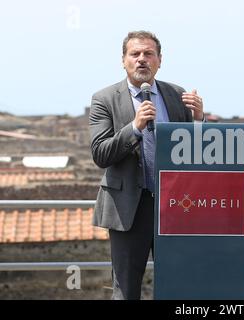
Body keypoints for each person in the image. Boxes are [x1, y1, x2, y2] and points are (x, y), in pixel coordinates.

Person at [89, 30, 205, 300]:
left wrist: (199, 120)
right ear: (123, 60)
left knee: (178, 286)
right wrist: (135, 128)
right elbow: (100, 154)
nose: (142, 59)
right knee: (127, 289)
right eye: (135, 54)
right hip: (129, 207)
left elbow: (196, 153)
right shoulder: (104, 99)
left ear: (159, 60)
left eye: (148, 54)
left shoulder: (177, 94)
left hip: (175, 206)